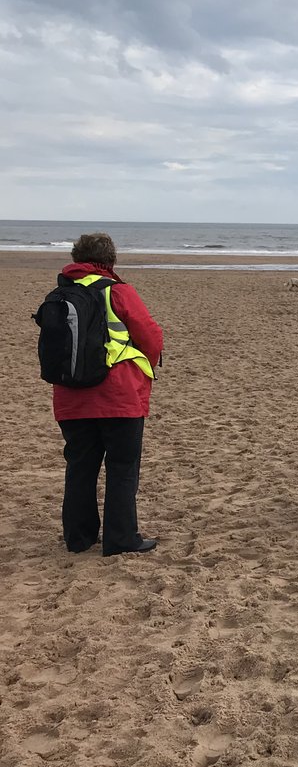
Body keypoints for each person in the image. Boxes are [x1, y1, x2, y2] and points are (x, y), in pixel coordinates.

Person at [52, 233, 164, 556]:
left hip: (72, 397)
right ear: (110, 261)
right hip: (119, 397)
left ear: (77, 260)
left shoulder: (60, 295)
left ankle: (78, 537)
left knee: (80, 467)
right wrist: (146, 364)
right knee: (122, 467)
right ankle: (121, 538)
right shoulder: (118, 291)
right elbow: (151, 336)